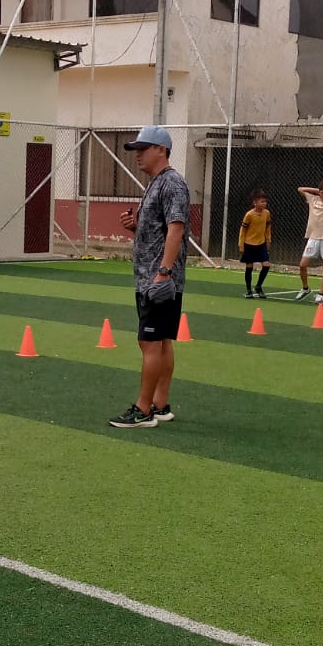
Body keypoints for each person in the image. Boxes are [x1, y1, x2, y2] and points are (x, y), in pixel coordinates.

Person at [111, 125, 189, 430]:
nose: (138, 155)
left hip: (158, 279)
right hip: (153, 277)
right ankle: (159, 404)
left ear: (161, 150)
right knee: (162, 341)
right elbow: (161, 230)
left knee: (150, 341)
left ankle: (143, 410)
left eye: (143, 149)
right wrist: (136, 227)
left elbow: (176, 228)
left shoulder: (172, 183)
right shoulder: (158, 183)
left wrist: (163, 272)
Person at [237, 191, 272, 299]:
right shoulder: (249, 215)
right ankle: (248, 290)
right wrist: (241, 244)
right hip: (249, 244)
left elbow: (268, 228)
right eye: (262, 201)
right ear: (255, 202)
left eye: (265, 202)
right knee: (249, 267)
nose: (264, 204)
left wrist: (268, 241)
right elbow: (243, 230)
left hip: (261, 244)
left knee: (266, 265)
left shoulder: (267, 213)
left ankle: (258, 286)